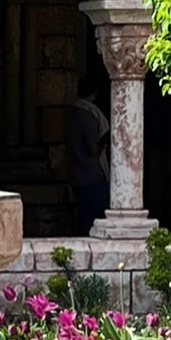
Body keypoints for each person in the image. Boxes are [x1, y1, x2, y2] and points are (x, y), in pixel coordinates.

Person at [64, 72, 110, 235]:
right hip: (92, 176)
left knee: (84, 217)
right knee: (94, 221)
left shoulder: (71, 113)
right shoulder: (87, 114)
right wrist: (107, 137)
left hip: (77, 173)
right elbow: (93, 149)